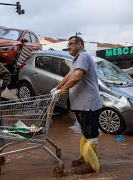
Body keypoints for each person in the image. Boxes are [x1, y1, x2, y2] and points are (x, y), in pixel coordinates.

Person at [52, 36, 102, 174]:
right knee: (86, 132)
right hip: (82, 104)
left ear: (79, 44)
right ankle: (86, 157)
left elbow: (77, 77)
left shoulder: (83, 56)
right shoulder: (77, 59)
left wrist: (62, 90)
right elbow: (70, 75)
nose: (68, 47)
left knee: (91, 134)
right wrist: (57, 87)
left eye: (71, 44)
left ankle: (91, 165)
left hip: (88, 104)